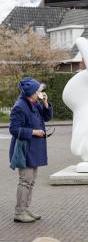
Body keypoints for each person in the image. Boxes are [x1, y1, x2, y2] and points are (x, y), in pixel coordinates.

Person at [9, 77, 53, 223]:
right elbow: (14, 130)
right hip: (25, 149)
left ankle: (26, 209)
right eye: (38, 90)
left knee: (31, 181)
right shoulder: (20, 106)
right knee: (25, 181)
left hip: (34, 149)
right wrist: (34, 132)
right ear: (31, 92)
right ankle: (19, 212)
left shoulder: (34, 103)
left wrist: (45, 102)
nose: (40, 92)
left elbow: (47, 117)